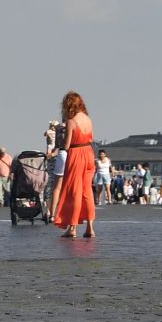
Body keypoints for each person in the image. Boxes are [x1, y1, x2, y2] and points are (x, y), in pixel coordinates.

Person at [53, 91, 97, 239]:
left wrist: (60, 133)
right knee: (87, 191)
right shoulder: (88, 119)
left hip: (76, 154)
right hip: (89, 153)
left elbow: (66, 145)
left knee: (74, 192)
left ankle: (72, 228)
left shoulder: (71, 122)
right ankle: (90, 227)